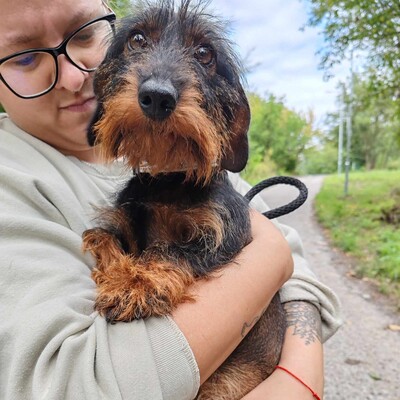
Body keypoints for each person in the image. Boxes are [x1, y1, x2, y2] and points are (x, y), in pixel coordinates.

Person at [0, 0, 341, 399]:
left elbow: (296, 266)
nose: (75, 78)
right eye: (25, 58)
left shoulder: (188, 160)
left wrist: (301, 375)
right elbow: (67, 386)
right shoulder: (15, 180)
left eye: (86, 33)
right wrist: (272, 256)